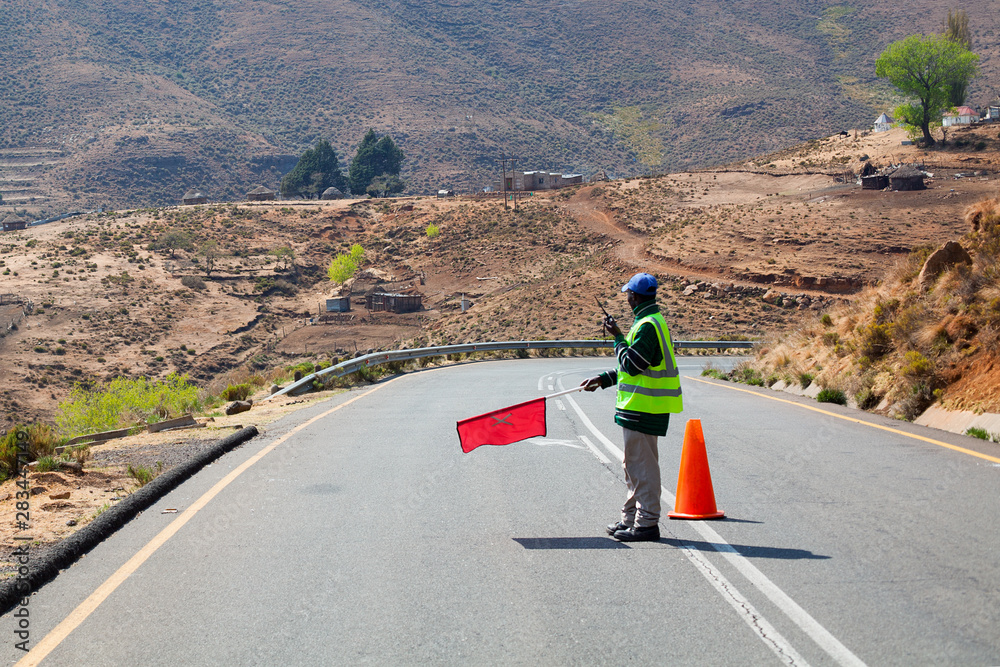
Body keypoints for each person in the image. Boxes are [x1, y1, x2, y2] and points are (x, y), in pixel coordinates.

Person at [580, 272, 683, 542]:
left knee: (642, 467)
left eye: (628, 294)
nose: (627, 298)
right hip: (640, 408)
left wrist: (616, 336)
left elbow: (632, 365)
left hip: (644, 408)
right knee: (634, 466)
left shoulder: (648, 325)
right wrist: (603, 379)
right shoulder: (647, 323)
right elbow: (631, 367)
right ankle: (631, 518)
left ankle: (647, 523)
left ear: (634, 297)